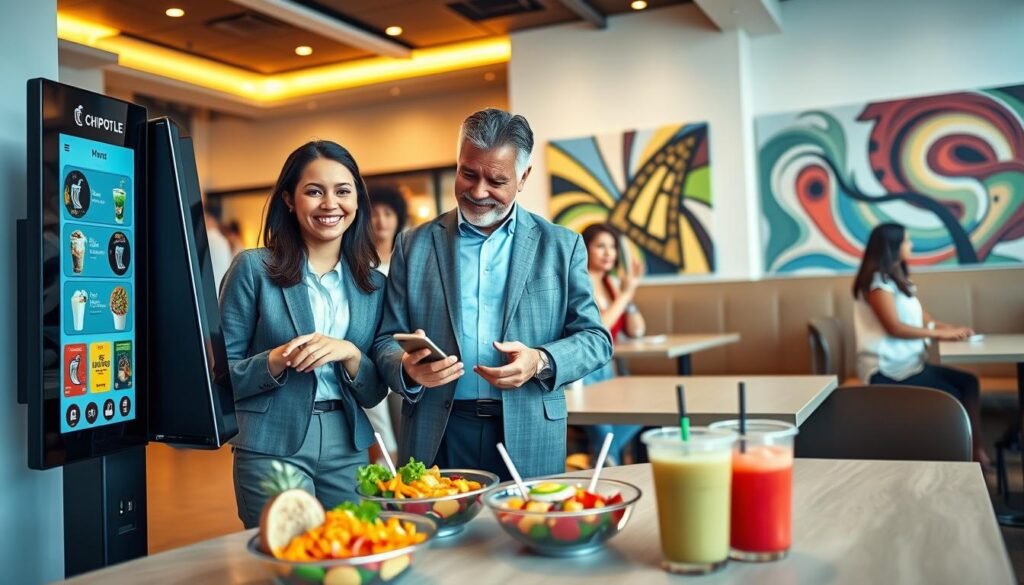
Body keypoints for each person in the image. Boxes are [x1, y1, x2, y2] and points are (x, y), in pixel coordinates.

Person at [371, 108, 612, 480]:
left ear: (524, 177)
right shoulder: (412, 245)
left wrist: (540, 360)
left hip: (529, 428)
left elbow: (596, 340)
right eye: (468, 173)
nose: (478, 191)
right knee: (442, 535)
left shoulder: (562, 246)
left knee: (527, 535)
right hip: (438, 429)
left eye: (496, 180)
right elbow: (384, 340)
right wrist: (404, 367)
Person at [220, 140, 387, 527]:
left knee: (353, 548)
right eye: (314, 191)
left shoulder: (373, 285)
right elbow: (217, 375)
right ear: (290, 201)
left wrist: (350, 354)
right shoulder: (253, 269)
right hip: (270, 441)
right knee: (291, 559)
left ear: (357, 201)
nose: (330, 204)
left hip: (347, 443)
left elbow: (375, 389)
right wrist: (275, 361)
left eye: (342, 191)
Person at [852, 222, 988, 464]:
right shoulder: (877, 284)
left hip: (911, 364)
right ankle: (962, 458)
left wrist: (951, 329)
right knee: (954, 395)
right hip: (887, 372)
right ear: (892, 247)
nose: (911, 244)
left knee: (968, 383)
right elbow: (893, 328)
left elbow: (927, 320)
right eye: (906, 241)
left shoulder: (898, 281)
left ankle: (974, 452)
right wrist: (939, 335)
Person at [580, 223, 646, 465]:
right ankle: (607, 457)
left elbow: (637, 330)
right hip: (584, 371)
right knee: (604, 425)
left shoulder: (612, 284)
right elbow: (598, 328)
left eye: (613, 247)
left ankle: (603, 456)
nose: (609, 253)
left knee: (643, 409)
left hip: (608, 368)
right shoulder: (580, 281)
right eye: (601, 246)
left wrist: (628, 295)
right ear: (585, 249)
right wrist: (626, 295)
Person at [364, 185, 408, 464]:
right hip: (369, 355)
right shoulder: (360, 263)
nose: (381, 220)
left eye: (388, 213)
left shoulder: (407, 260)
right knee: (381, 429)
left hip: (403, 352)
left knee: (405, 422)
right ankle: (388, 486)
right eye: (375, 213)